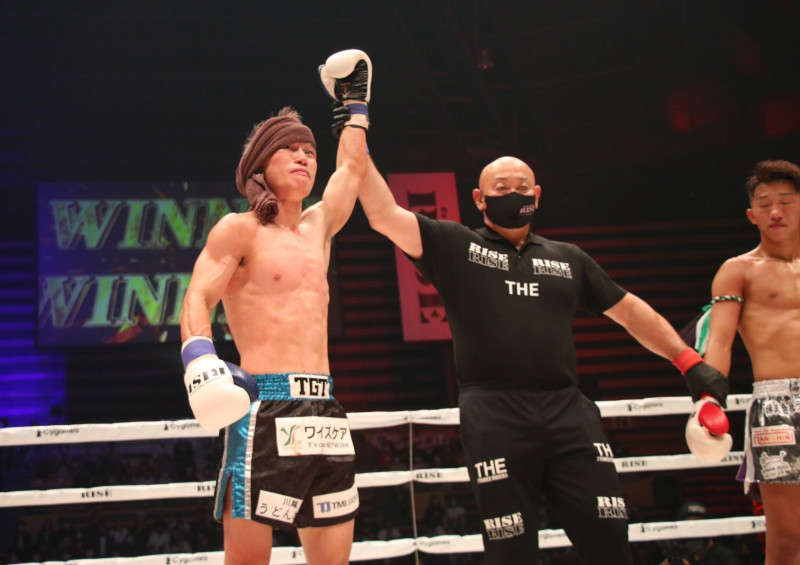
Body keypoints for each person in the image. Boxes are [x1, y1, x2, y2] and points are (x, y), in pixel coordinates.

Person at [347, 136, 729, 563]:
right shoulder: (456, 245)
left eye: (522, 187)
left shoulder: (569, 259)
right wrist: (355, 132)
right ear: (479, 199)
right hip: (494, 413)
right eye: (501, 188)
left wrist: (689, 362)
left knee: (609, 539)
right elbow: (383, 214)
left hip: (568, 410)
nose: (514, 194)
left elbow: (629, 310)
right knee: (511, 552)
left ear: (538, 195)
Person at [179, 50, 372, 564]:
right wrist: (199, 360)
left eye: (309, 150)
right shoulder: (239, 230)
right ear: (261, 164)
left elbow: (352, 167)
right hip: (265, 406)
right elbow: (198, 295)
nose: (304, 157)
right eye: (289, 149)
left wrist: (355, 105)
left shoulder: (319, 228)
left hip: (325, 410)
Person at [702, 159, 800, 565]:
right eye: (764, 204)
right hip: (777, 406)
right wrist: (707, 399)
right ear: (751, 215)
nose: (775, 212)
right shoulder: (737, 271)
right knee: (787, 538)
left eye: (786, 201)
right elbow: (719, 340)